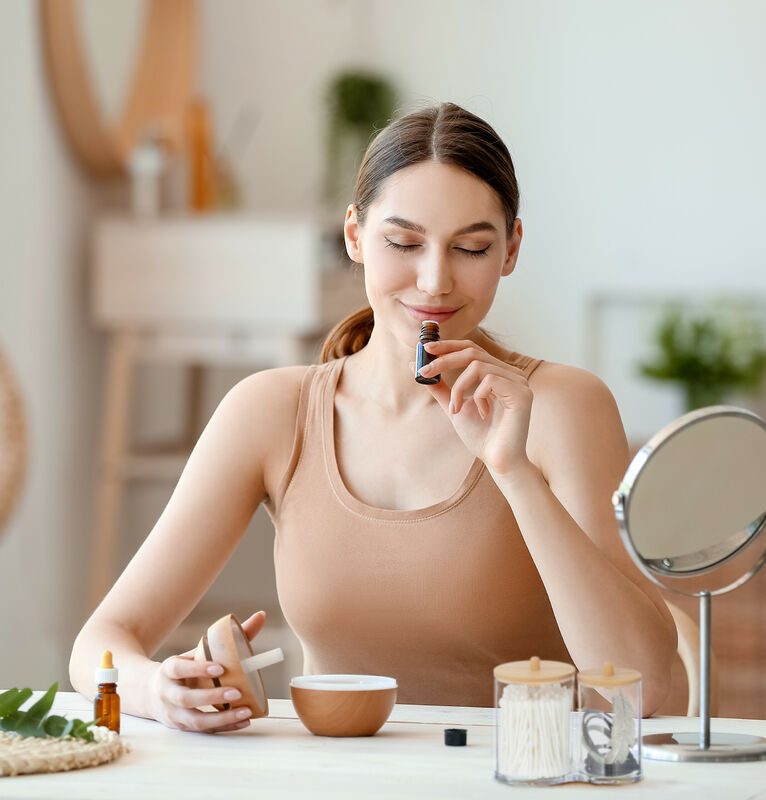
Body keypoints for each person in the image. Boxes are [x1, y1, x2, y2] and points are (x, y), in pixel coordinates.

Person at [70, 102, 677, 733]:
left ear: (511, 249)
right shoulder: (271, 411)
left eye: (470, 247)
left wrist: (513, 471)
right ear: (355, 236)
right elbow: (101, 644)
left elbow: (648, 685)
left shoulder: (559, 406)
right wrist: (158, 690)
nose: (435, 281)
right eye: (403, 243)